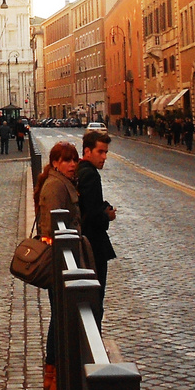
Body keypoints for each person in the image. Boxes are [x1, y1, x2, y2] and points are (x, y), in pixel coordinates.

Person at [36, 141, 82, 390]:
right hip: (60, 259)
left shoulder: (60, 182)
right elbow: (54, 227)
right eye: (66, 160)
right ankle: (53, 375)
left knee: (60, 316)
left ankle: (51, 373)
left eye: (74, 160)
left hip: (63, 257)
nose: (72, 164)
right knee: (59, 318)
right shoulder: (55, 185)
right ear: (55, 163)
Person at [76, 130, 116, 329]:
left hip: (86, 243)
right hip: (92, 246)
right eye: (100, 152)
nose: (104, 157)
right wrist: (106, 215)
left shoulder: (81, 171)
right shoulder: (90, 175)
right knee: (95, 300)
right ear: (87, 151)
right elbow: (91, 214)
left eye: (106, 152)